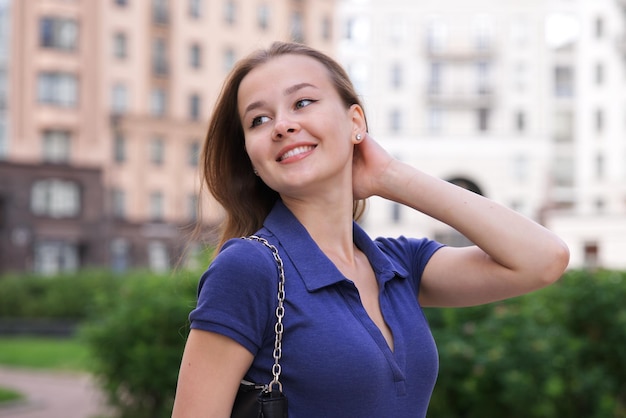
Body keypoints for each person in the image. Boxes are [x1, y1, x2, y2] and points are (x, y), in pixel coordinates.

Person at [171, 41, 569, 418]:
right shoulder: (248, 268)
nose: (282, 125)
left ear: (354, 121)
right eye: (259, 119)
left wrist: (390, 175)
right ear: (252, 157)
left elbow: (543, 259)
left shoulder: (400, 265)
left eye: (303, 102)